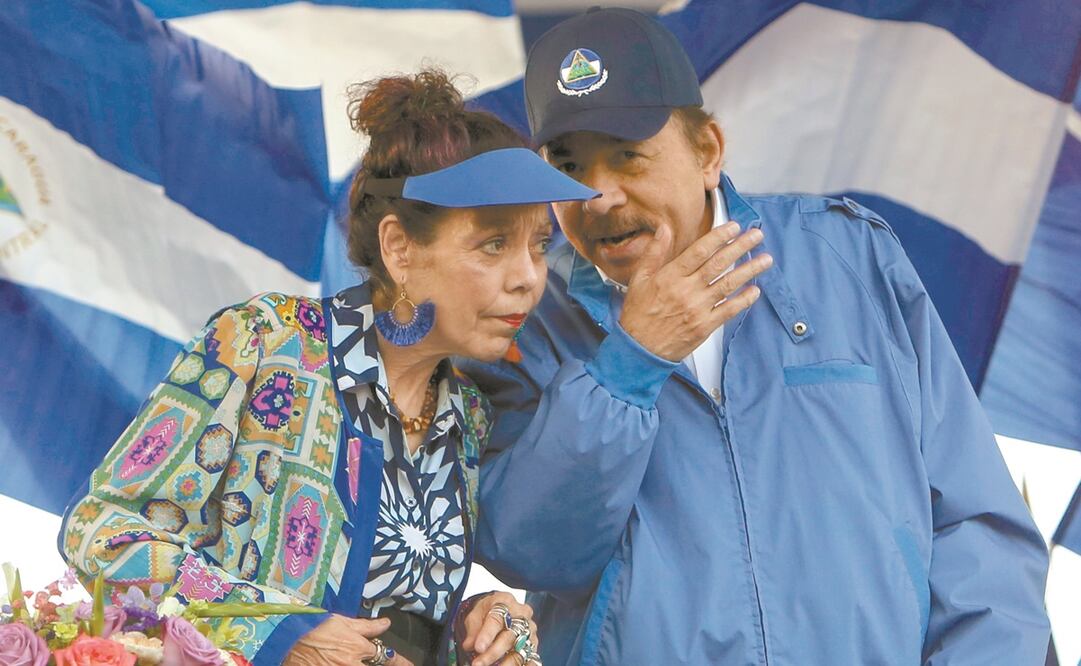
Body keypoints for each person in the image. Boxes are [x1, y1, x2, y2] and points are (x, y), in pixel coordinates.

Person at [458, 8, 1051, 665]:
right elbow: (532, 551)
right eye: (567, 167)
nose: (599, 197)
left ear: (708, 151)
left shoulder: (848, 256)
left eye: (626, 156)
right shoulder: (521, 320)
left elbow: (977, 526)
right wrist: (628, 365)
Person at [58, 70, 597, 666]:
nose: (529, 277)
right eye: (494, 244)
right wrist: (280, 632)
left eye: (539, 245)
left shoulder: (467, 415)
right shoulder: (265, 342)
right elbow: (100, 530)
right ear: (400, 249)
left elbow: (389, 620)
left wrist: (476, 625)